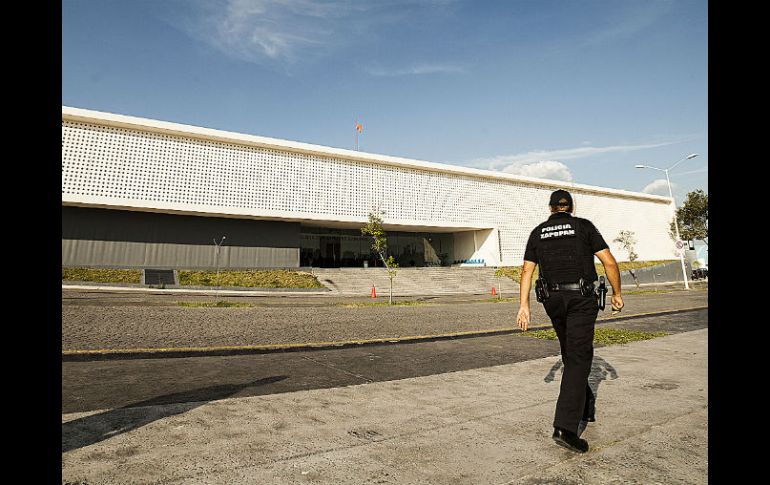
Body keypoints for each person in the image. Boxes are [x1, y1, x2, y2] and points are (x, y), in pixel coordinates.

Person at [516, 189, 624, 453]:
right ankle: (565, 427)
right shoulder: (584, 227)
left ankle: (585, 406)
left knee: (570, 353)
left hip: (553, 300)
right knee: (578, 358)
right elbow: (608, 261)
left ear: (551, 208)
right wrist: (618, 293)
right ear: (570, 207)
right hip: (580, 299)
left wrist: (524, 306)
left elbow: (527, 271)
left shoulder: (538, 232)